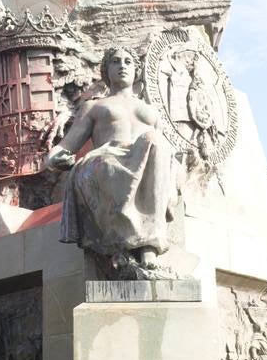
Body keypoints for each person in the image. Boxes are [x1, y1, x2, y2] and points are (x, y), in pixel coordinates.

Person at [46, 46, 175, 280]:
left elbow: (165, 153)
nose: (122, 66)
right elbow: (68, 144)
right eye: (116, 62)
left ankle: (148, 246)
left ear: (136, 71)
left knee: (155, 141)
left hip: (146, 159)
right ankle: (134, 244)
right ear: (106, 71)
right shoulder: (95, 107)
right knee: (113, 160)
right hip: (106, 160)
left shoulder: (151, 111)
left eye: (128, 62)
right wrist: (54, 157)